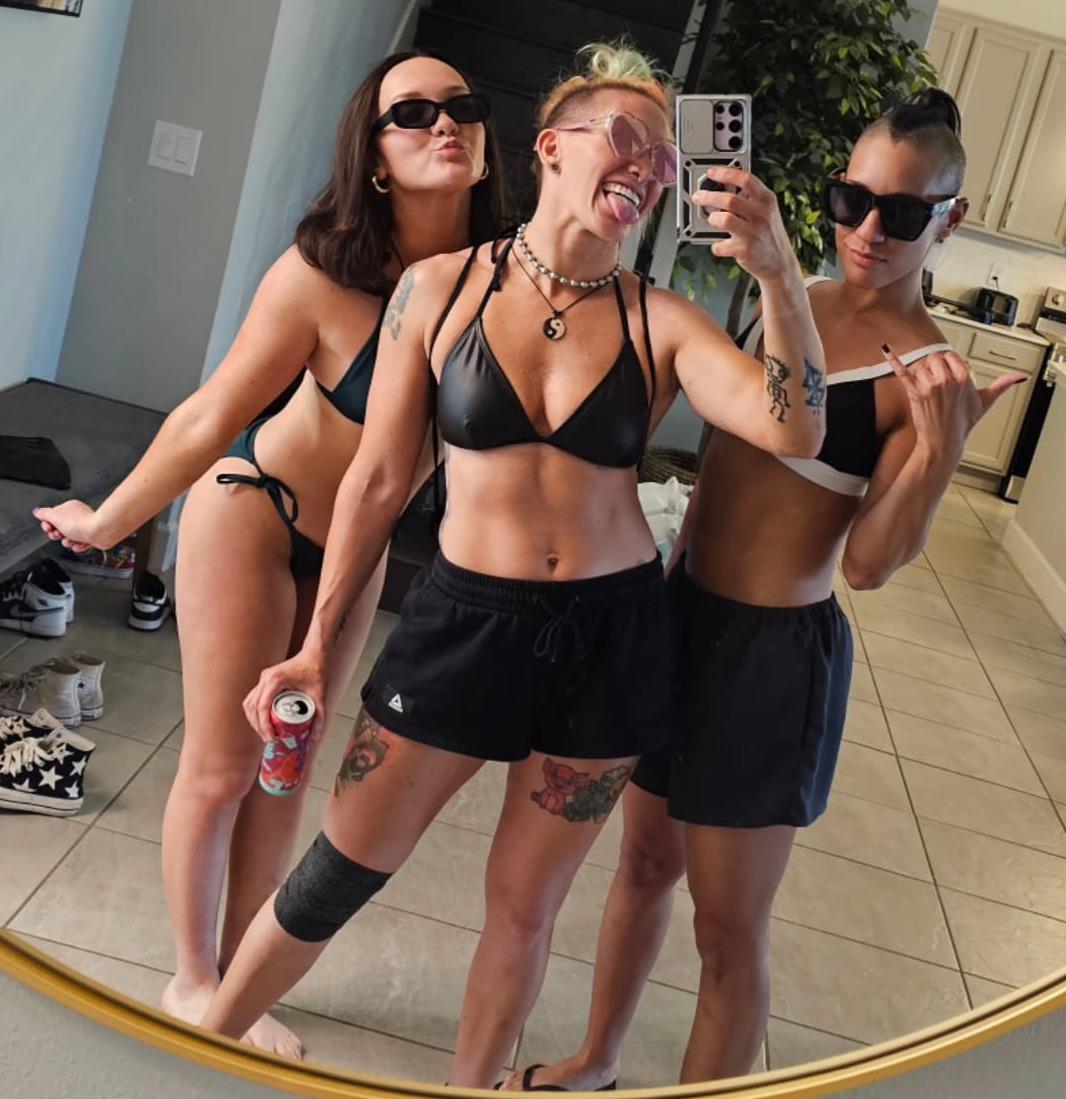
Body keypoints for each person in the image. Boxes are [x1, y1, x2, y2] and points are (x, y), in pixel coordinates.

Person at [197, 41, 828, 1085]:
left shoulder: (661, 321)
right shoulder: (438, 290)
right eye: (623, 137)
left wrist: (777, 272)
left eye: (663, 157)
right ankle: (195, 1052)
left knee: (524, 909)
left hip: (612, 639)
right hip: (463, 623)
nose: (647, 166)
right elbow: (377, 480)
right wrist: (313, 647)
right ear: (549, 148)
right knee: (336, 870)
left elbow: (795, 428)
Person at [507, 88, 1027, 1091]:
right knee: (642, 865)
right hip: (680, 614)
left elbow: (869, 564)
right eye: (852, 200)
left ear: (950, 218)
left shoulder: (929, 375)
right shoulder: (789, 296)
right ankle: (596, 1059)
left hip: (773, 661)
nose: (869, 231)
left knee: (726, 930)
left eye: (903, 213)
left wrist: (938, 452)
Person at [33, 50, 504, 1057]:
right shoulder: (324, 276)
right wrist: (108, 521)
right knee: (224, 764)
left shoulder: (507, 285)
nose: (443, 122)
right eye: (412, 113)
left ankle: (243, 978)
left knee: (285, 770)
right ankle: (192, 978)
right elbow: (211, 415)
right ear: (373, 156)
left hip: (350, 556)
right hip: (255, 509)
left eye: (460, 106)